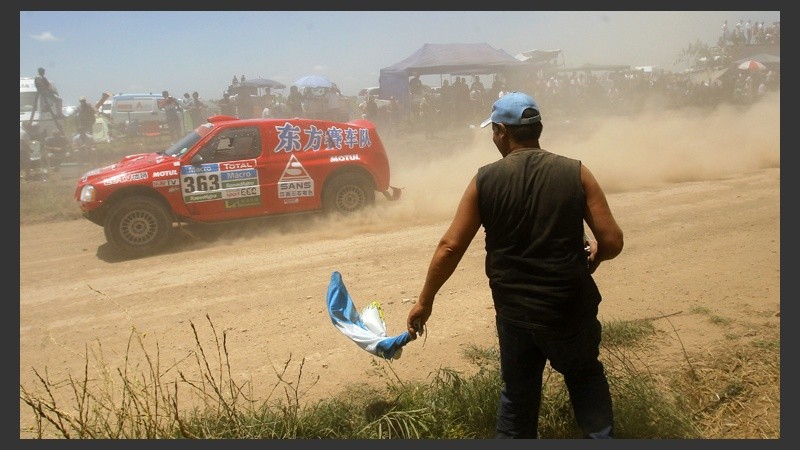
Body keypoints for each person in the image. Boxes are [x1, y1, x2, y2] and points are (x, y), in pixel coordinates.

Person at [405, 91, 624, 439]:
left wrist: (425, 301)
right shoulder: (576, 173)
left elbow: (450, 247)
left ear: (502, 131)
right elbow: (611, 241)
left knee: (518, 398)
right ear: (538, 128)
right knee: (585, 380)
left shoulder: (484, 180)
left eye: (493, 131)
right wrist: (594, 257)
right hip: (570, 309)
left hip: (515, 315)